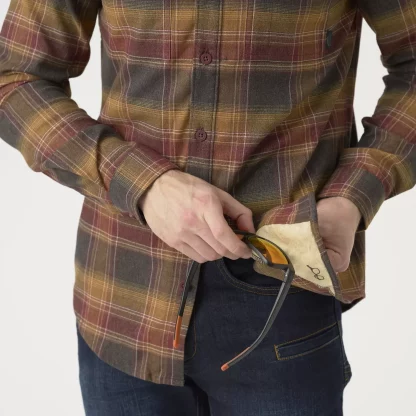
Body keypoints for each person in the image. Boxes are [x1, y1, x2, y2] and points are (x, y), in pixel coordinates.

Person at [0, 0, 414, 414]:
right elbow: (15, 79)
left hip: (283, 291)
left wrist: (353, 194)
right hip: (124, 293)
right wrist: (143, 183)